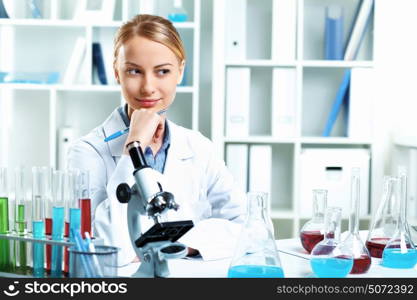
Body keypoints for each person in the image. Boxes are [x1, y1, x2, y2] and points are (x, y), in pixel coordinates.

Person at [68, 14, 245, 266]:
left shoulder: (199, 147)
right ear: (116, 72)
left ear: (180, 71)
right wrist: (133, 148)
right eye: (134, 71)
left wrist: (179, 243)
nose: (148, 87)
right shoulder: (87, 152)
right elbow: (107, 249)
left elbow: (247, 226)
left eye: (162, 71)